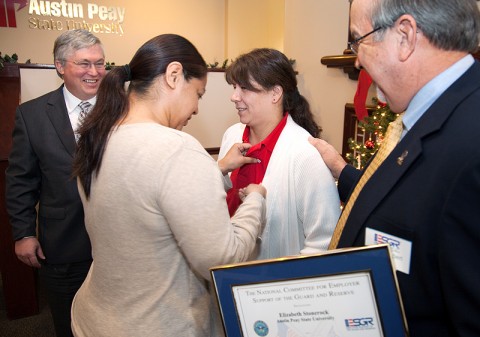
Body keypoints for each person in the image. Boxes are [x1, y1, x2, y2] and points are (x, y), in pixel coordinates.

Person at [70, 34, 266, 337]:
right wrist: (255, 201)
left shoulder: (99, 136)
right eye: (199, 94)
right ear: (174, 76)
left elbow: (144, 200)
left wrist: (218, 171)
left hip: (97, 317)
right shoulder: (177, 148)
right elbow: (222, 259)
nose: (197, 109)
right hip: (155, 324)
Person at [309, 0, 480, 335]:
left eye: (359, 40)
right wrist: (341, 170)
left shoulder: (471, 143)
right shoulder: (421, 119)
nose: (357, 59)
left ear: (405, 35)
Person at [5, 29, 106, 337]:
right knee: (71, 326)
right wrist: (23, 233)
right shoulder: (32, 115)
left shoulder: (123, 110)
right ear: (60, 66)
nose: (94, 72)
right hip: (63, 247)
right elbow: (21, 180)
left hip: (119, 244)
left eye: (100, 63)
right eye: (84, 64)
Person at [218, 48, 341, 260]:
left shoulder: (304, 155)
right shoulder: (231, 136)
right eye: (234, 87)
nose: (234, 97)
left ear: (275, 93)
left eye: (245, 88)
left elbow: (323, 242)